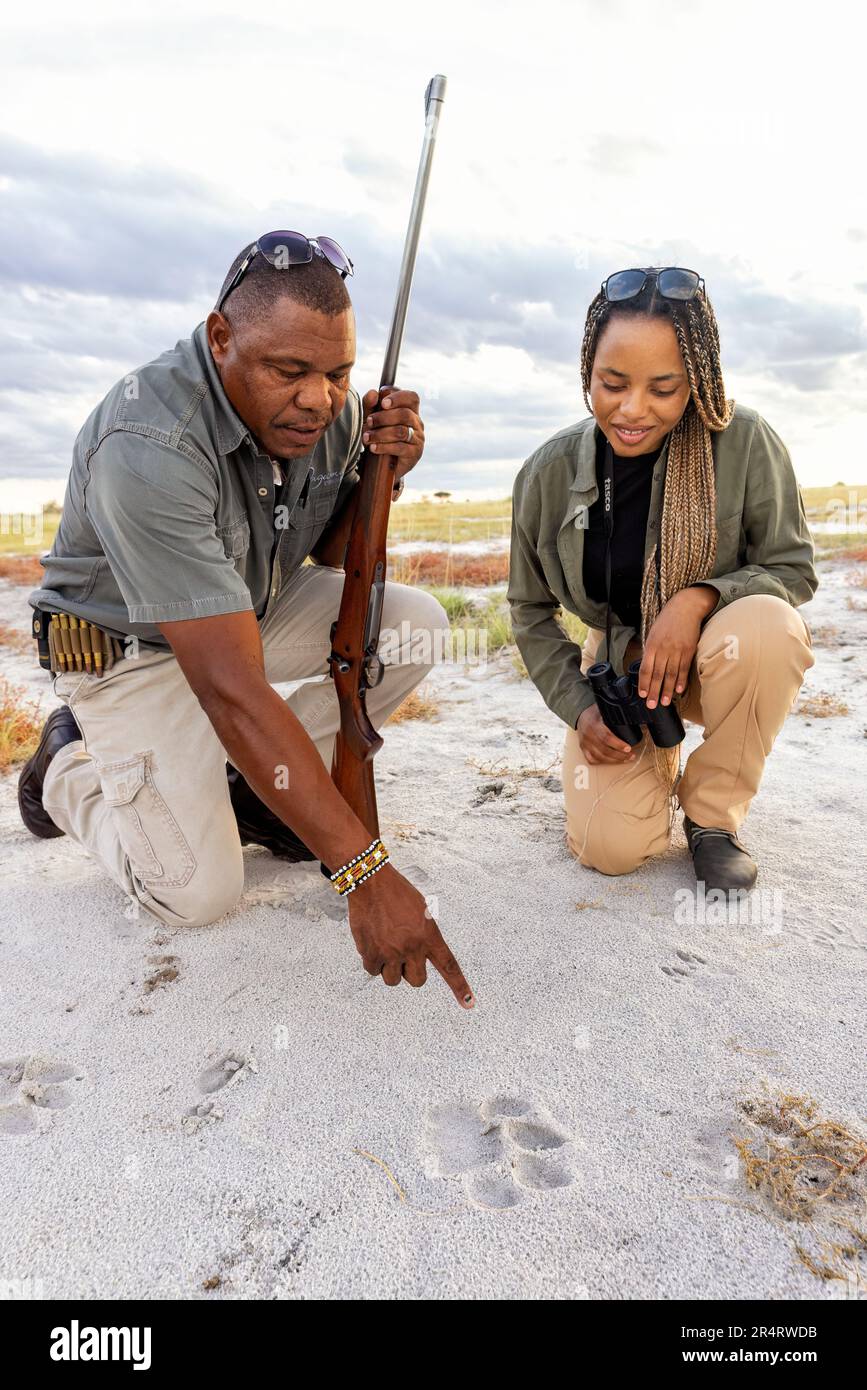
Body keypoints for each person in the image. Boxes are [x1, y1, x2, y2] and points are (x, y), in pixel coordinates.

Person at [20, 231, 474, 1007]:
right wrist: (363, 872)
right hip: (130, 649)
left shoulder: (328, 410)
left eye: (337, 374)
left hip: (241, 616)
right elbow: (231, 689)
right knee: (195, 895)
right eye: (288, 372)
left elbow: (334, 555)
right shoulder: (148, 443)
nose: (318, 400)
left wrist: (384, 476)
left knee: (414, 623)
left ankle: (253, 791)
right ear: (220, 337)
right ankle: (65, 766)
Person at [507, 265, 817, 892]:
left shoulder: (746, 441)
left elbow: (792, 569)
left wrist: (697, 601)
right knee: (611, 850)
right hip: (624, 664)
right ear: (588, 372)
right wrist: (581, 709)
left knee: (769, 626)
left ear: (696, 380)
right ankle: (656, 756)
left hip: (717, 657)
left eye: (663, 388)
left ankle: (712, 816)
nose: (632, 409)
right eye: (612, 384)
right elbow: (529, 610)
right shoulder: (546, 472)